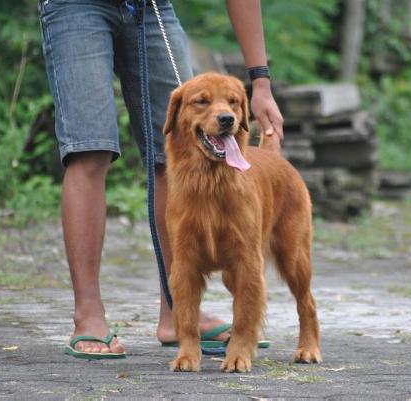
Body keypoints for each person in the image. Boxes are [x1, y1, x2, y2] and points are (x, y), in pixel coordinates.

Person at [38, 0, 284, 357]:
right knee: (89, 150)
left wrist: (260, 83)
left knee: (178, 151)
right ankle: (88, 316)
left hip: (151, 8)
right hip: (76, 6)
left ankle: (179, 315)